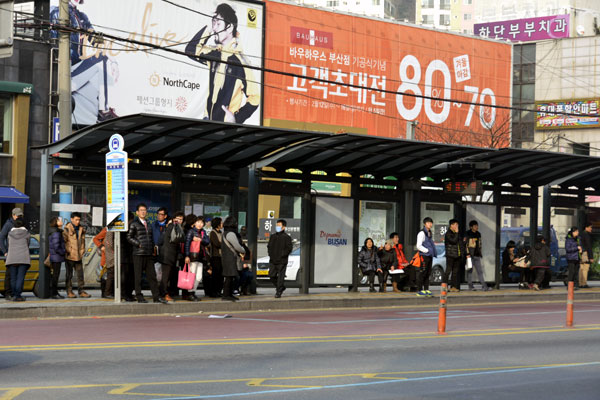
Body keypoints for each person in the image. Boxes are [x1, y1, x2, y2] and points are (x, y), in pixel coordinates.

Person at [185, 3, 260, 123]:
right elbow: (190, 50)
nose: (215, 28)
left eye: (218, 24)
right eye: (214, 23)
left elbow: (255, 98)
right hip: (207, 122)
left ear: (229, 27)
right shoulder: (214, 53)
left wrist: (236, 118)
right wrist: (209, 28)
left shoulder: (241, 62)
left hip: (227, 128)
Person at [127, 204, 165, 304]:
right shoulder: (134, 224)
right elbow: (129, 237)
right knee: (138, 277)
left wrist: (153, 249)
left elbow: (151, 238)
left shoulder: (149, 223)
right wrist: (138, 244)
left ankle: (156, 297)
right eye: (141, 210)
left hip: (148, 254)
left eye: (144, 210)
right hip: (138, 254)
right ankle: (139, 297)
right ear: (137, 212)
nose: (143, 212)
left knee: (152, 276)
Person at [63, 212, 91, 298]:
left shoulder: (81, 229)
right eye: (76, 219)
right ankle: (69, 291)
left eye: (79, 219)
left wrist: (82, 251)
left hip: (78, 255)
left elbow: (82, 242)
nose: (78, 221)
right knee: (69, 275)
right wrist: (69, 251)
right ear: (71, 219)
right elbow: (64, 242)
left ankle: (81, 291)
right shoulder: (67, 229)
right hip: (70, 256)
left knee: (80, 274)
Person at [159, 211, 185, 302]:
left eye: (181, 219)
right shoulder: (172, 227)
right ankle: (164, 294)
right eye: (177, 219)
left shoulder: (175, 227)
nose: (179, 221)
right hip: (167, 255)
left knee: (168, 276)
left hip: (171, 255)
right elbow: (179, 239)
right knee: (166, 276)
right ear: (173, 219)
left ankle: (164, 293)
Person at [183, 216, 210, 301]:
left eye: (202, 223)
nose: (200, 224)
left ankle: (193, 292)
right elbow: (187, 244)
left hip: (201, 257)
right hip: (192, 257)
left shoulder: (203, 232)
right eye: (198, 222)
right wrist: (187, 256)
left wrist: (199, 240)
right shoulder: (191, 232)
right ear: (194, 223)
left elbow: (207, 242)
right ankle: (190, 293)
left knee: (199, 277)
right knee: (192, 276)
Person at [0, 207, 24, 300]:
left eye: (21, 215)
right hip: (11, 252)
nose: (19, 217)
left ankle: (16, 293)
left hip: (20, 252)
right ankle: (8, 293)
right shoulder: (8, 224)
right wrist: (5, 251)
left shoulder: (21, 223)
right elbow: (1, 237)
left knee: (17, 275)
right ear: (13, 215)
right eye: (18, 216)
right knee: (9, 274)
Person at [5, 219, 30, 302]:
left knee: (13, 278)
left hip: (12, 258)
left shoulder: (9, 234)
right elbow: (28, 244)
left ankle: (14, 295)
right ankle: (18, 295)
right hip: (23, 258)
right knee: (20, 277)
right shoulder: (26, 233)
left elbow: (8, 244)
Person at [221, 216, 245, 301]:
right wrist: (243, 250)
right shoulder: (231, 234)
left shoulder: (225, 232)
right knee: (229, 277)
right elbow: (237, 246)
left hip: (226, 257)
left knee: (230, 277)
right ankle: (226, 295)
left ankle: (229, 294)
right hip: (230, 258)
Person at [267, 219, 293, 298]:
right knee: (271, 275)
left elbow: (289, 248)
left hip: (282, 260)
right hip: (273, 260)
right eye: (277, 225)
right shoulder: (273, 236)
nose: (277, 227)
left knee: (281, 277)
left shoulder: (287, 237)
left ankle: (278, 292)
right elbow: (269, 246)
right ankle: (281, 287)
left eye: (279, 226)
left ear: (283, 227)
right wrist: (270, 254)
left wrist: (283, 255)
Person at [464, 220, 490, 292]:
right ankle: (470, 285)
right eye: (475, 226)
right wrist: (467, 254)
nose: (476, 227)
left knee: (480, 271)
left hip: (477, 255)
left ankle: (484, 285)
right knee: (470, 270)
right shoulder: (468, 234)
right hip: (470, 255)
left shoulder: (478, 234)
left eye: (477, 226)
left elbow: (480, 244)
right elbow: (465, 245)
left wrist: (480, 252)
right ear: (471, 227)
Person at [416, 217, 437, 297]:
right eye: (428, 223)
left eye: (431, 223)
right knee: (422, 272)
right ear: (424, 224)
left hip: (429, 256)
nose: (430, 224)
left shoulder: (429, 233)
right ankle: (419, 290)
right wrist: (427, 251)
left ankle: (426, 289)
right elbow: (418, 246)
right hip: (424, 256)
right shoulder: (422, 233)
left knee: (428, 273)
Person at [48, 217, 66, 299]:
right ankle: (54, 293)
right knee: (55, 276)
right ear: (55, 222)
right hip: (56, 257)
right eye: (59, 220)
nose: (61, 221)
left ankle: (54, 292)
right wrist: (63, 252)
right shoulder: (56, 233)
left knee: (55, 275)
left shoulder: (56, 232)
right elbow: (56, 246)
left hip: (55, 257)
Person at [444, 219, 463, 292]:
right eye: (455, 225)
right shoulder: (448, 233)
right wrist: (457, 233)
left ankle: (453, 286)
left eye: (457, 225)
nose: (457, 226)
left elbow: (460, 243)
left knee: (455, 272)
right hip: (450, 255)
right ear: (451, 225)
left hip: (457, 255)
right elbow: (453, 241)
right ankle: (444, 286)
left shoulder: (457, 233)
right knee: (448, 271)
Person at [207, 217, 224, 297]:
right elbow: (217, 244)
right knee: (215, 275)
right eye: (221, 223)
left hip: (221, 257)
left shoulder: (221, 232)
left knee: (220, 275)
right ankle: (214, 292)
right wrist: (224, 244)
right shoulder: (213, 233)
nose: (222, 224)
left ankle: (218, 291)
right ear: (217, 224)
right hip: (215, 256)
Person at [152, 207, 169, 287]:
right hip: (156, 251)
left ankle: (163, 290)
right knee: (156, 271)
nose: (159, 216)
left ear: (165, 216)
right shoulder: (154, 225)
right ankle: (157, 289)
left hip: (166, 252)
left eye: (161, 214)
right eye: (158, 214)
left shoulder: (169, 225)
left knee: (165, 272)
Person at [579, 223, 594, 288]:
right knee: (586, 268)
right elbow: (589, 246)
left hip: (581, 253)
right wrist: (591, 257)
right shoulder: (587, 235)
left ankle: (580, 283)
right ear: (586, 228)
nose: (591, 229)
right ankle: (584, 283)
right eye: (590, 227)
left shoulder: (581, 234)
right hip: (586, 253)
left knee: (581, 268)